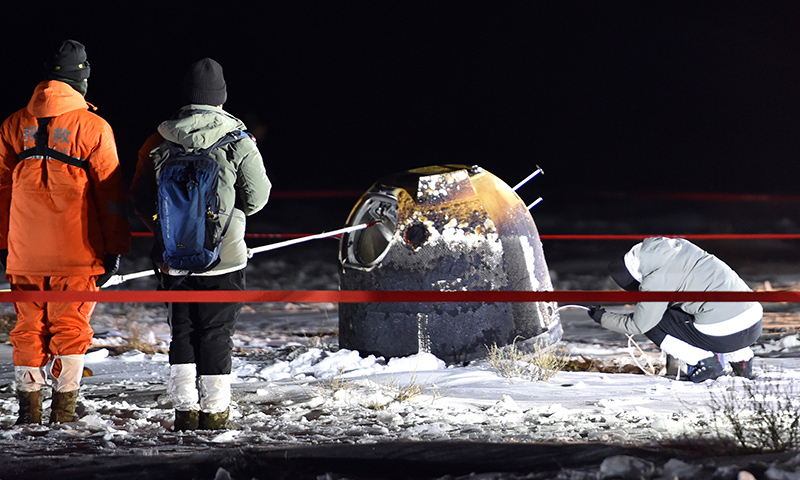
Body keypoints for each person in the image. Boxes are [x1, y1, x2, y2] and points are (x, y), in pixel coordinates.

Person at [130, 58, 271, 431]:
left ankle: (185, 411)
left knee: (183, 331)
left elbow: (141, 197)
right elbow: (258, 199)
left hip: (173, 258)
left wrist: (166, 231)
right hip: (224, 259)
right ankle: (214, 413)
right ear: (221, 97)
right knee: (216, 333)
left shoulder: (159, 139)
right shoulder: (238, 141)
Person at [0, 39, 131, 424]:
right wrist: (114, 247)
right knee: (71, 327)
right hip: (78, 249)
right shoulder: (94, 126)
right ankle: (65, 407)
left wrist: (5, 243)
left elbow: (1, 191)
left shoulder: (12, 124)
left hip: (23, 250)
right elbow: (110, 194)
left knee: (27, 327)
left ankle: (29, 407)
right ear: (81, 79)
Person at [588, 236, 762, 383]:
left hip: (725, 336)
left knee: (654, 324)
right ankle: (741, 358)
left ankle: (705, 362)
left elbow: (638, 326)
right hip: (753, 322)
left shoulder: (656, 280)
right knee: (704, 308)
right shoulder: (682, 247)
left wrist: (601, 317)